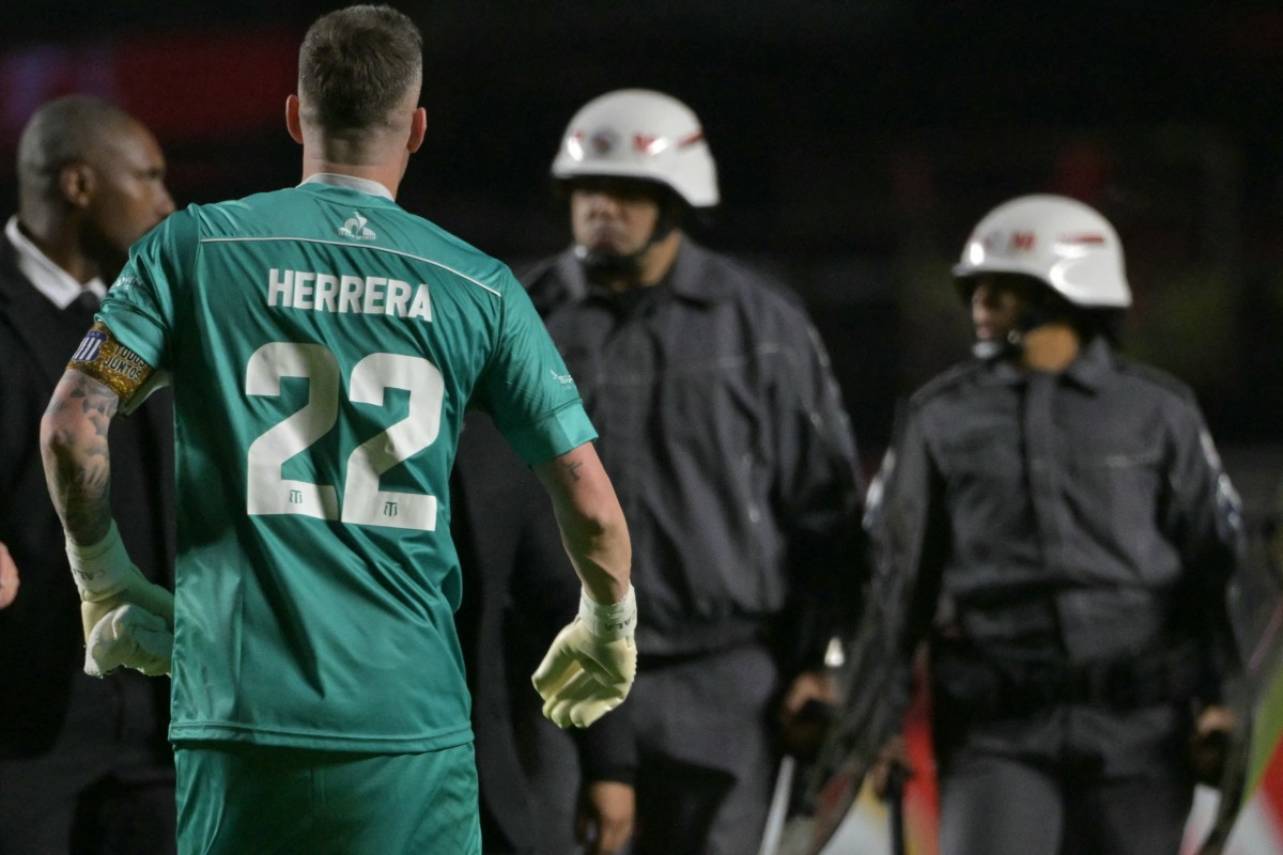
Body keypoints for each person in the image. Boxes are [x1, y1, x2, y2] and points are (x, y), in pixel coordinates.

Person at [37, 6, 636, 854]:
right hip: (407, 723)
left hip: (238, 713)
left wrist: (101, 576)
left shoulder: (194, 248)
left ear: (295, 114)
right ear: (417, 128)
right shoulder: (479, 286)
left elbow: (71, 427)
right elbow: (590, 501)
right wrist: (609, 619)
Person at [521, 88, 865, 855]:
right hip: (559, 670)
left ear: (679, 201)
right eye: (585, 188)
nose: (601, 206)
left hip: (726, 679)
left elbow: (828, 515)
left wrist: (824, 659)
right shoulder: (520, 315)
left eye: (627, 190)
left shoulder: (763, 327)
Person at [864, 194, 1242, 854]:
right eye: (976, 285)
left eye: (1004, 286)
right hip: (995, 731)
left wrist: (1221, 698)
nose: (979, 299)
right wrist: (877, 719)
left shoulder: (1157, 413)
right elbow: (897, 582)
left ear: (1068, 289)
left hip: (1139, 734)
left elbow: (1212, 564)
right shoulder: (939, 418)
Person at [0, 94, 176, 855]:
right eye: (149, 177)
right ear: (78, 185)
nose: (169, 203)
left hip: (159, 724)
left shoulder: (155, 316)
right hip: (20, 729)